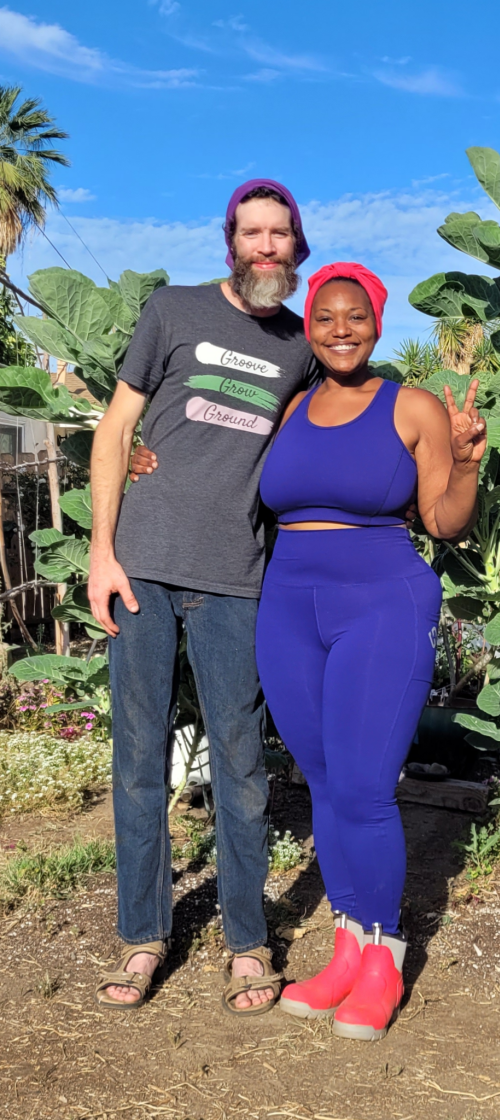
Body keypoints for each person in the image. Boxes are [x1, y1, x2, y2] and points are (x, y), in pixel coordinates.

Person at [88, 179, 318, 1015]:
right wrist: (100, 553)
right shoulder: (173, 311)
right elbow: (117, 431)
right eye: (252, 233)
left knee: (242, 764)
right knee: (139, 757)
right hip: (143, 565)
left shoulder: (300, 345)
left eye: (279, 235)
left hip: (236, 578)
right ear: (231, 242)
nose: (266, 247)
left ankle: (249, 943)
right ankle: (143, 936)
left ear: (297, 246)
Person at [256, 262, 486, 1040]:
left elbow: (443, 521)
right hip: (288, 608)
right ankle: (348, 948)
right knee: (322, 781)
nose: (341, 329)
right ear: (310, 327)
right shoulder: (290, 409)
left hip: (381, 604)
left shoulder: (410, 406)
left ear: (377, 325)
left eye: (356, 317)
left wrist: (468, 462)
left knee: (362, 786)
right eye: (326, 318)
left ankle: (384, 956)